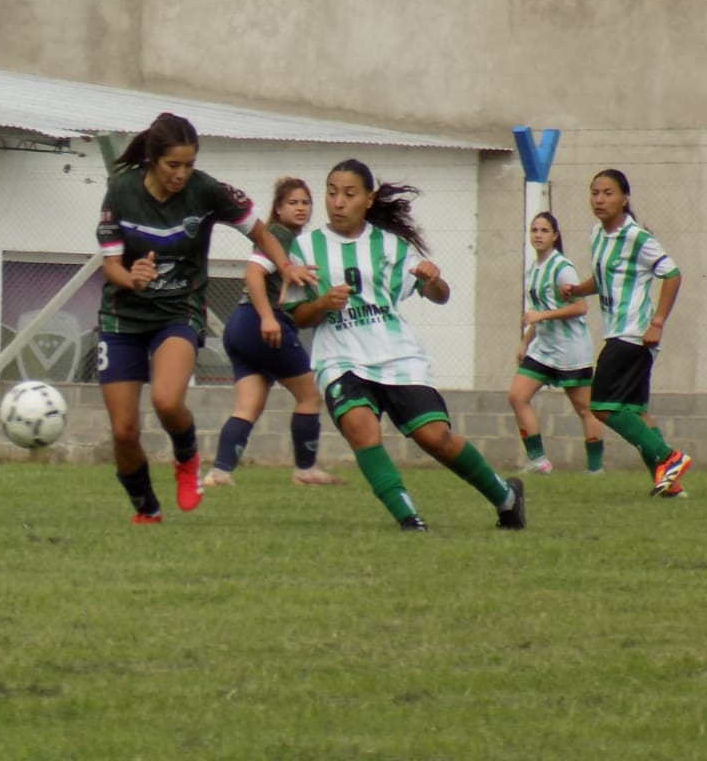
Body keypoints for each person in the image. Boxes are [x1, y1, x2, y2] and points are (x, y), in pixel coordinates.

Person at [96, 112, 317, 525]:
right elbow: (111, 268)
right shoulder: (121, 191)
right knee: (124, 432)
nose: (182, 174)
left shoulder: (206, 191)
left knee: (166, 400)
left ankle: (187, 457)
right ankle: (147, 508)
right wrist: (133, 277)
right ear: (153, 159)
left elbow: (260, 230)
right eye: (173, 165)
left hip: (178, 313)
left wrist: (284, 265)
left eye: (189, 164)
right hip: (121, 318)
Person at [284, 159, 526, 532]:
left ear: (368, 199)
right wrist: (320, 304)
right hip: (340, 359)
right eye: (332, 192)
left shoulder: (389, 244)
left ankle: (507, 498)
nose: (338, 202)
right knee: (362, 430)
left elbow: (440, 295)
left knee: (436, 438)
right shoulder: (305, 246)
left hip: (397, 356)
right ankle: (409, 520)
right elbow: (297, 316)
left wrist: (433, 279)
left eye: (349, 194)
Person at [203, 177, 344, 488]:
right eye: (292, 202)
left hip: (239, 326)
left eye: (305, 202)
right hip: (260, 324)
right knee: (309, 396)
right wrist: (268, 318)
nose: (300, 208)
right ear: (278, 209)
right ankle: (306, 471)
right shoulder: (279, 234)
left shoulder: (298, 241)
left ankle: (220, 473)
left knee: (247, 406)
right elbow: (253, 274)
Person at [559, 168, 691, 497]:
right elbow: (604, 279)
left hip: (632, 335)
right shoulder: (597, 234)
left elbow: (672, 274)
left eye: (608, 193)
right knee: (635, 412)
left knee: (602, 406)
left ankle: (669, 458)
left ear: (624, 198)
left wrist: (657, 321)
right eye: (595, 192)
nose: (600, 199)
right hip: (619, 332)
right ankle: (669, 485)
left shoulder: (636, 237)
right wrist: (578, 289)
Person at [508, 211, 605, 475]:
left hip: (570, 350)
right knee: (517, 396)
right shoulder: (534, 269)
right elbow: (538, 309)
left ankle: (595, 469)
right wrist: (525, 342)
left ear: (555, 236)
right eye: (534, 230)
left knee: (585, 409)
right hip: (543, 349)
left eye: (544, 230)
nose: (538, 235)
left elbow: (580, 307)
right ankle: (538, 461)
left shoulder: (562, 267)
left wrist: (542, 316)